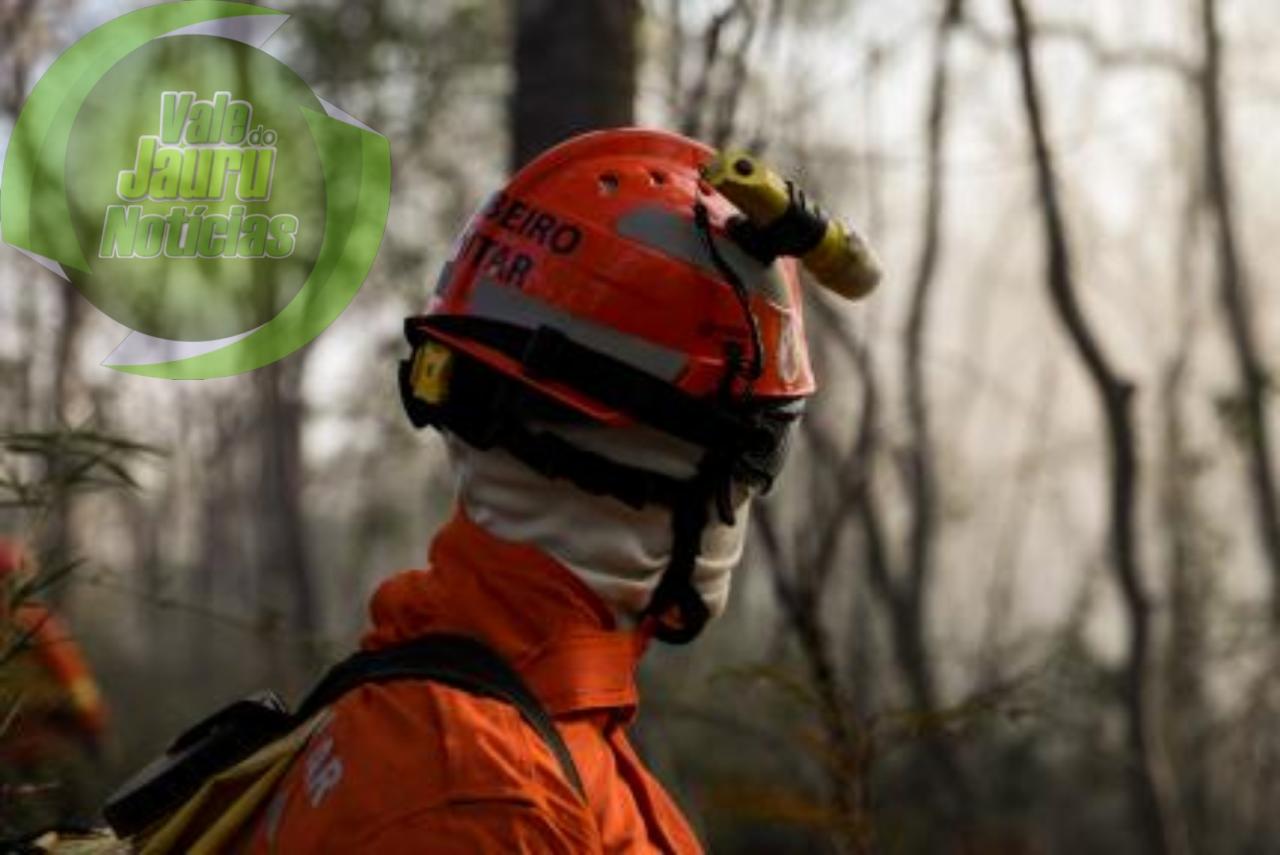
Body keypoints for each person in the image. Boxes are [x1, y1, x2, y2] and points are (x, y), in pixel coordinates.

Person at [238, 127, 851, 853]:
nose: (743, 505)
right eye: (755, 458)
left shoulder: (501, 715)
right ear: (670, 464)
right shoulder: (483, 801)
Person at [0, 538, 108, 841]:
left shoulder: (32, 622)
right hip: (36, 756)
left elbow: (76, 683)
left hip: (41, 752)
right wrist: (94, 728)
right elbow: (78, 683)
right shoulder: (34, 621)